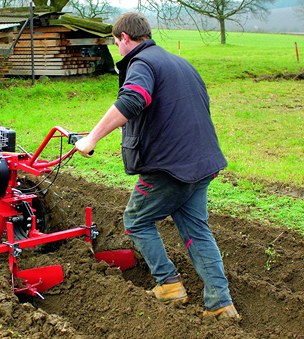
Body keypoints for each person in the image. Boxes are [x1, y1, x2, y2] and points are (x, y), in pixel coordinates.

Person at [74, 12, 240, 319]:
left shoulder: (142, 64)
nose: (118, 49)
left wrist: (92, 138)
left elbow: (133, 99)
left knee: (136, 220)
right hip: (202, 162)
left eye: (116, 42)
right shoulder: (179, 62)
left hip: (171, 167)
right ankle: (220, 303)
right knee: (197, 230)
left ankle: (168, 285)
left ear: (124, 38)